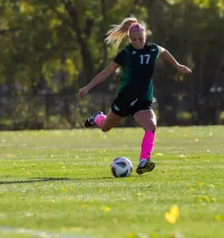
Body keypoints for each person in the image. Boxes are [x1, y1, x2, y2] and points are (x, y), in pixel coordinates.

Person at [78, 15, 192, 175]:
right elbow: (107, 72)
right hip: (124, 99)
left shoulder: (153, 49)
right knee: (105, 128)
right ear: (130, 39)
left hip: (143, 102)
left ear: (145, 37)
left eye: (140, 39)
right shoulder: (126, 53)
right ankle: (98, 118)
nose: (137, 42)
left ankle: (143, 161)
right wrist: (88, 87)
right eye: (134, 40)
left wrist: (178, 65)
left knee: (151, 126)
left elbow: (164, 52)